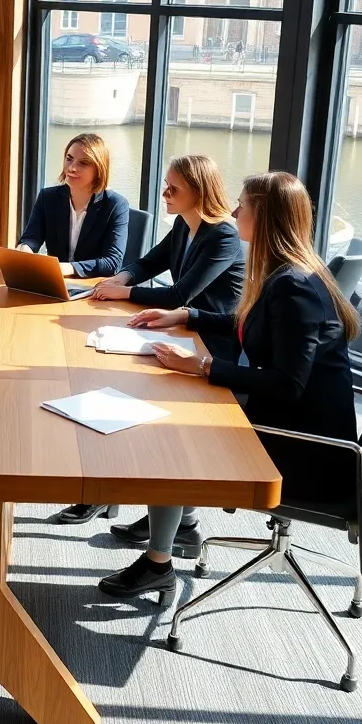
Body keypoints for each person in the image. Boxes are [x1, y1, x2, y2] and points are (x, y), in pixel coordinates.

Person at [98, 171, 360, 604]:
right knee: (175, 408)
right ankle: (177, 522)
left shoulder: (293, 287)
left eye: (244, 205)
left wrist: (203, 364)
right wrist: (187, 317)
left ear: (267, 217)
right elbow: (251, 325)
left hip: (304, 451)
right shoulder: (290, 274)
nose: (235, 211)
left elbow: (287, 385)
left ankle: (159, 562)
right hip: (291, 422)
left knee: (171, 431)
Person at [57, 155, 245, 528]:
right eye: (166, 184)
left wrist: (124, 295)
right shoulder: (183, 225)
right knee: (105, 374)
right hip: (179, 330)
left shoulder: (222, 234)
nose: (164, 193)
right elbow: (148, 262)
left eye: (174, 188)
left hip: (209, 343)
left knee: (131, 395)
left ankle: (173, 515)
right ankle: (132, 499)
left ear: (199, 192)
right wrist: (122, 278)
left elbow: (180, 294)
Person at [16, 132, 129, 278]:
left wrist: (66, 268)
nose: (71, 168)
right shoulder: (47, 197)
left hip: (93, 290)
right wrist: (24, 251)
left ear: (99, 168)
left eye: (83, 163)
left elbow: (112, 263)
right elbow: (31, 238)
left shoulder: (116, 205)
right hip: (54, 282)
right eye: (69, 159)